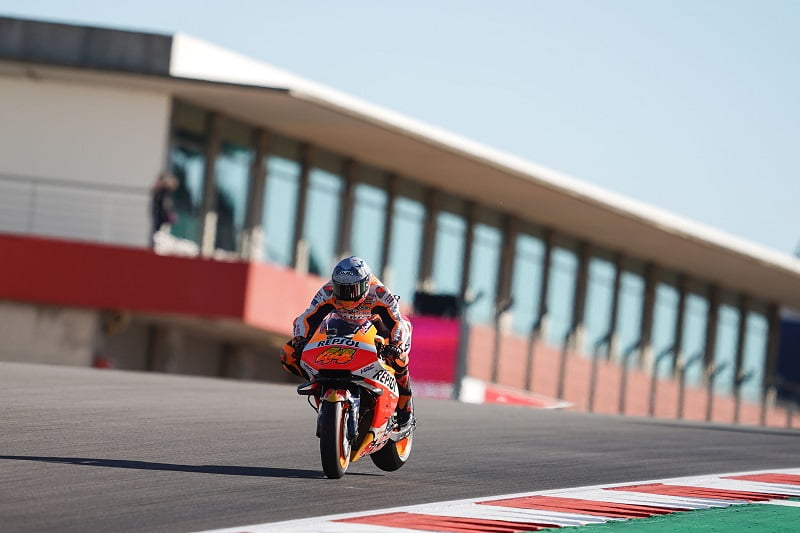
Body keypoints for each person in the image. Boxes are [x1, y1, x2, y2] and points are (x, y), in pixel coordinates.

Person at [281, 256, 415, 427]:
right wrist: (300, 340)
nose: (347, 295)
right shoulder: (328, 291)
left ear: (366, 283)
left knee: (399, 358)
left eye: (353, 289)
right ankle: (319, 381)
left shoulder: (379, 292)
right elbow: (305, 318)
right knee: (289, 354)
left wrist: (396, 345)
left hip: (377, 331)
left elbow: (397, 323)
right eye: (341, 289)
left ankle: (405, 403)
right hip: (342, 330)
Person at [150, 172, 178, 247]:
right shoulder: (160, 194)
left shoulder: (163, 194)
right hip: (160, 221)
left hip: (162, 221)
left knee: (160, 240)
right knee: (159, 239)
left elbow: (166, 209)